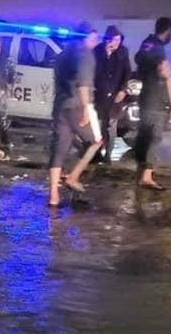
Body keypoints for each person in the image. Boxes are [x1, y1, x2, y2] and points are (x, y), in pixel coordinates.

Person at [48, 22, 103, 207]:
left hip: (60, 106)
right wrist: (86, 108)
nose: (96, 42)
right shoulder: (85, 54)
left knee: (59, 149)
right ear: (86, 37)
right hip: (78, 105)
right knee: (96, 141)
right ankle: (73, 176)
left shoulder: (63, 54)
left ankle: (53, 196)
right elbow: (83, 84)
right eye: (94, 38)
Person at [134, 17, 171, 190]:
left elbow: (139, 57)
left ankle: (141, 171)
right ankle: (147, 176)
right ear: (168, 30)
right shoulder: (157, 47)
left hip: (146, 98)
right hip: (155, 100)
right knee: (154, 137)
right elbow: (160, 68)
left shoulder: (147, 44)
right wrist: (162, 68)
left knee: (144, 136)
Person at [93, 25, 132, 164]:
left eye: (118, 40)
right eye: (114, 40)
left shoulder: (122, 53)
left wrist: (123, 89)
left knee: (111, 126)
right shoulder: (98, 51)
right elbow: (94, 71)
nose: (116, 43)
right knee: (97, 126)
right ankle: (95, 154)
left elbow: (127, 72)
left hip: (115, 96)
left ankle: (107, 155)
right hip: (99, 95)